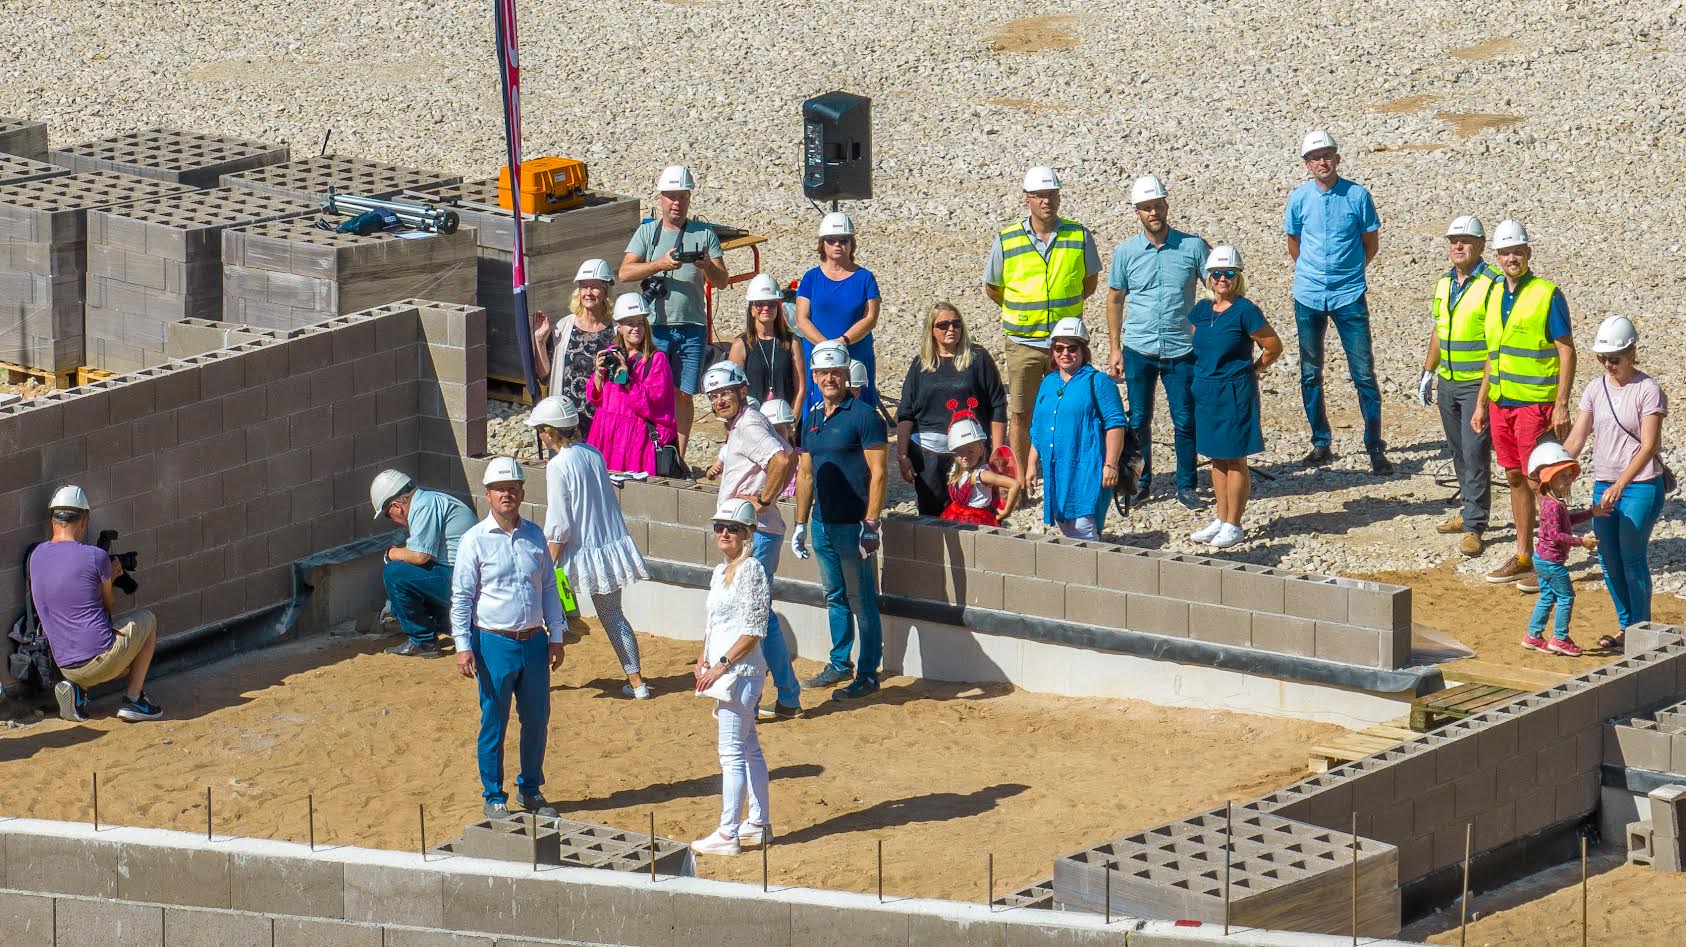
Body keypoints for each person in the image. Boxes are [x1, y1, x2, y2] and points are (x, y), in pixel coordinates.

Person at [449, 456, 568, 819]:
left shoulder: (535, 535)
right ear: (488, 495)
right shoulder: (474, 541)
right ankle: (493, 794)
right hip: (493, 643)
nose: (507, 495)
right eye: (501, 489)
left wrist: (556, 635)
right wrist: (462, 646)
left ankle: (530, 790)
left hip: (533, 641)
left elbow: (549, 587)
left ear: (521, 493)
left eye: (513, 489)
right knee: (494, 720)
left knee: (536, 719)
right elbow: (462, 597)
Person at [525, 396, 653, 699]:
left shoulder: (558, 465)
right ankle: (637, 683)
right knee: (613, 615)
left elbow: (560, 522)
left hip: (576, 554)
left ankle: (535, 679)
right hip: (606, 549)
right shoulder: (593, 453)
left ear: (549, 432)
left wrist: (547, 564)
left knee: (540, 615)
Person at [1472, 220, 1576, 586]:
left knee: (1542, 481)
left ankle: (1552, 559)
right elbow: (1492, 352)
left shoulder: (1547, 294)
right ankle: (1523, 555)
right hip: (1502, 404)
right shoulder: (1494, 292)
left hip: (1536, 405)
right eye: (1505, 252)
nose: (1511, 258)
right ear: (1497, 257)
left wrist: (1562, 403)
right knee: (1515, 476)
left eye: (1517, 251)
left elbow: (1566, 351)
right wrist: (1482, 402)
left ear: (1528, 253)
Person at [983, 166, 1101, 480]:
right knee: (1022, 414)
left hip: (1066, 344)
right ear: (1028, 199)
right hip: (1024, 343)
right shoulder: (1007, 239)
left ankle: (1062, 474)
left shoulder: (1078, 235)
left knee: (1069, 411)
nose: (1046, 201)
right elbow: (993, 287)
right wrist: (1022, 312)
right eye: (1039, 196)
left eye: (1051, 195)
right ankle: (1020, 478)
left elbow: (1089, 283)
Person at [1284, 130, 1391, 475]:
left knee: (1363, 372)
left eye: (1327, 155)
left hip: (1349, 294)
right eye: (1315, 157)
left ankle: (1374, 445)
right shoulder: (1299, 198)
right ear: (1307, 164)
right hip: (1309, 294)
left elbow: (1369, 243)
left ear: (1337, 158)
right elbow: (1294, 243)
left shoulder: (1357, 196)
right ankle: (1320, 442)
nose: (1322, 162)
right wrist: (1313, 273)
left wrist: (1350, 273)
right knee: (1310, 372)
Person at [701, 360, 802, 718]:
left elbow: (783, 458)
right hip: (757, 531)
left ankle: (769, 696)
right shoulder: (745, 424)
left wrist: (761, 501)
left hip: (755, 533)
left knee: (756, 617)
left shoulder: (747, 426)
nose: (718, 401)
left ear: (742, 390)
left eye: (724, 393)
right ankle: (787, 696)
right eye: (714, 396)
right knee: (763, 616)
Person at [790, 340, 889, 701]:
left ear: (847, 375)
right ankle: (839, 662)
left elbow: (878, 474)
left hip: (853, 524)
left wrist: (871, 523)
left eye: (836, 372)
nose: (829, 378)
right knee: (834, 594)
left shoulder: (864, 416)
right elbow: (804, 473)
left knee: (861, 598)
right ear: (814, 377)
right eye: (823, 372)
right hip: (823, 522)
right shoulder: (812, 417)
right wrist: (801, 522)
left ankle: (867, 673)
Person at [1563, 316, 1668, 653]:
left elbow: (1649, 444)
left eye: (1615, 358)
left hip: (1640, 485)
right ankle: (1627, 627)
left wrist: (1622, 482)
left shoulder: (1648, 390)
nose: (1609, 365)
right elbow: (1578, 436)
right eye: (1603, 359)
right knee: (1608, 558)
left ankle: (1641, 629)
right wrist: (1552, 467)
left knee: (1632, 557)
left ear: (1632, 353)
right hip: (1604, 483)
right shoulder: (1595, 389)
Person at [1105, 174, 1210, 509]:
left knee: (1185, 419)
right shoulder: (1126, 252)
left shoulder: (1193, 246)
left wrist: (1209, 332)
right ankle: (1140, 482)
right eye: (1146, 208)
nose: (1153, 213)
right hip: (1139, 348)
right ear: (1138, 212)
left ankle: (1186, 485)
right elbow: (1115, 298)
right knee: (1138, 421)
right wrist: (1114, 347)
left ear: (1166, 206)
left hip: (1182, 348)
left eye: (1157, 206)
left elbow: (1216, 288)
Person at [617, 165, 729, 460]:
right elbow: (625, 272)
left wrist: (707, 266)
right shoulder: (648, 232)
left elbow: (722, 281)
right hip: (655, 328)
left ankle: (676, 458)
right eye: (671, 197)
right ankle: (649, 452)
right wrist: (659, 265)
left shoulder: (704, 234)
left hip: (692, 327)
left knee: (684, 394)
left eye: (682, 196)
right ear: (661, 198)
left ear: (689, 198)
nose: (677, 202)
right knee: (650, 393)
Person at [28, 486, 161, 723]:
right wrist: (113, 577)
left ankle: (77, 690)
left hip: (64, 666)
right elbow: (106, 607)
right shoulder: (95, 557)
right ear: (85, 519)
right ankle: (134, 700)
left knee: (112, 651)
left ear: (53, 519)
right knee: (148, 622)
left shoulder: (36, 556)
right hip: (101, 661)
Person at [690, 499, 773, 857]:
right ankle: (757, 823)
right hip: (725, 671)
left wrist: (721, 665)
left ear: (748, 534)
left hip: (738, 675)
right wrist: (702, 658)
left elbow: (754, 629)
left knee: (731, 753)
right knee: (749, 749)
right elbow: (714, 624)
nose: (725, 533)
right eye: (719, 527)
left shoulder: (751, 570)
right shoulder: (720, 570)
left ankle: (728, 833)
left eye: (733, 528)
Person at [1416, 217, 1503, 557]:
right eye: (1454, 240)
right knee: (1457, 450)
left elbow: (1494, 343)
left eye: (1465, 240)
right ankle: (1469, 510)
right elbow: (1440, 329)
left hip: (1474, 384)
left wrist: (1483, 395)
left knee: (1475, 451)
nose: (1458, 246)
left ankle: (1475, 525)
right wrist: (1428, 371)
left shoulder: (1492, 284)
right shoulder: (1444, 283)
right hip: (1449, 382)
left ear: (1480, 246)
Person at [1186, 247, 1283, 550]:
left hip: (1234, 390)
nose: (1222, 279)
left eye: (1228, 273)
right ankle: (1221, 517)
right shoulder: (1202, 311)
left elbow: (1273, 346)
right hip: (1206, 390)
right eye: (1216, 274)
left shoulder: (1245, 310)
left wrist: (1253, 370)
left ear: (1238, 276)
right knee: (1216, 456)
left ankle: (1234, 523)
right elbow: (1197, 344)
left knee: (1235, 457)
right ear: (1209, 277)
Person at [895, 302, 1009, 516]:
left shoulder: (978, 358)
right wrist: (902, 455)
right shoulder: (920, 364)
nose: (951, 329)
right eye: (944, 325)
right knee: (931, 518)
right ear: (931, 330)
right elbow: (905, 413)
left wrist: (997, 451)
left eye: (956, 324)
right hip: (929, 454)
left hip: (971, 453)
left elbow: (998, 406)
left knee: (975, 514)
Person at [1026, 317, 1127, 540]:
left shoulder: (1098, 381)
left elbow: (1116, 424)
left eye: (1072, 348)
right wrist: (1031, 464)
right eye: (1059, 348)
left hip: (1087, 467)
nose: (1065, 354)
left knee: (1085, 527)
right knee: (1064, 522)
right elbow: (1038, 428)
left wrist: (1111, 465)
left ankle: (1092, 570)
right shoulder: (1048, 382)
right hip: (1056, 469)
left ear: (1083, 351)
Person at [371, 468, 478, 658]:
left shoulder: (423, 506)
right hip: (468, 578)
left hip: (465, 579)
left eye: (389, 515)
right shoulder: (428, 500)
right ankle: (448, 624)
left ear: (397, 506)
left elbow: (419, 556)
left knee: (395, 573)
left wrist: (391, 553)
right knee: (406, 578)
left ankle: (422, 641)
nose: (394, 521)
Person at [794, 212, 880, 421]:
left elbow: (870, 318)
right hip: (817, 353)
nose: (837, 245)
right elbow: (802, 318)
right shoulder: (811, 277)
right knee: (817, 407)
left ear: (852, 243)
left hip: (855, 351)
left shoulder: (865, 277)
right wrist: (827, 347)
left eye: (843, 240)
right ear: (822, 244)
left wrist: (842, 342)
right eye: (831, 240)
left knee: (858, 409)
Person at [586, 294, 678, 475]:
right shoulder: (611, 353)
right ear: (619, 328)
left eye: (640, 323)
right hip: (606, 430)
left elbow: (655, 403)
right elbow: (596, 398)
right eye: (630, 323)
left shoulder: (655, 359)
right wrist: (598, 373)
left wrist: (628, 381)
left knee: (633, 491)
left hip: (635, 437)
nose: (636, 328)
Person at [1520, 442, 1596, 657]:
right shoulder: (1553, 505)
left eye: (1569, 475)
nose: (1568, 479)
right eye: (1562, 476)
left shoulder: (1551, 501)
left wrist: (1591, 513)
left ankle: (1533, 636)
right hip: (1552, 562)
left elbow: (1567, 521)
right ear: (1548, 479)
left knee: (1546, 596)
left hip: (1541, 559)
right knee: (1566, 597)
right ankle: (1560, 638)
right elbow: (1557, 535)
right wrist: (1582, 541)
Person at [532, 259, 618, 438]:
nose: (588, 293)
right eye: (583, 287)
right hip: (567, 418)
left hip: (603, 418)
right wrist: (539, 340)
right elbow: (544, 376)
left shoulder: (616, 331)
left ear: (605, 291)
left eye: (594, 287)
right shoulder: (564, 327)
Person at [728, 273, 805, 413]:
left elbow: (800, 387)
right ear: (751, 309)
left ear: (778, 307)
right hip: (753, 422)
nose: (765, 308)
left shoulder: (792, 342)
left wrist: (792, 423)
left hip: (785, 421)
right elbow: (732, 390)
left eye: (771, 304)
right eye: (759, 304)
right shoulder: (740, 345)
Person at [940, 411, 1021, 526]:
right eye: (960, 452)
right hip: (954, 514)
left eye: (970, 451)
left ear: (981, 450)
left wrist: (1006, 512)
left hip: (976, 519)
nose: (965, 457)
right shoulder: (957, 469)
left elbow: (1015, 485)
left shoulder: (982, 475)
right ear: (954, 454)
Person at [760, 399, 800, 498]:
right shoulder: (759, 460)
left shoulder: (801, 460)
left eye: (777, 430)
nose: (774, 435)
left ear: (789, 430)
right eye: (768, 430)